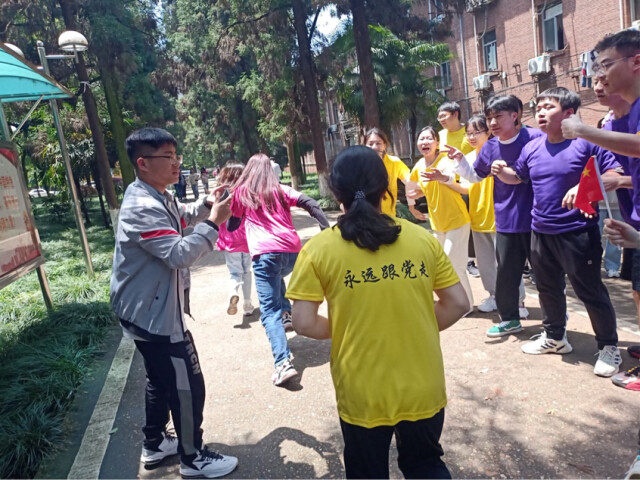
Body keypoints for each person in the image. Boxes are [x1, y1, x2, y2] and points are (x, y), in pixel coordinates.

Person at [287, 145, 469, 479]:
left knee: (366, 472)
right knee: (425, 465)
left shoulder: (318, 250)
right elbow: (458, 303)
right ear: (386, 188)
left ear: (335, 192)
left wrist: (347, 326)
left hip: (362, 389)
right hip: (422, 383)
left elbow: (302, 322)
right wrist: (415, 323)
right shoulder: (422, 240)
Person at [110, 127, 238, 478]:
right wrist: (214, 223)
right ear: (143, 163)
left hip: (142, 309)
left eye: (175, 155)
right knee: (187, 384)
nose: (176, 163)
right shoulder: (141, 207)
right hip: (153, 315)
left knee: (160, 378)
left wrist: (206, 205)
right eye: (167, 157)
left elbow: (182, 216)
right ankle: (193, 457)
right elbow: (179, 254)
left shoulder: (155, 194)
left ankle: (154, 443)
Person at [492, 87, 622, 377]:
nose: (539, 112)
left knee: (590, 291)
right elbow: (518, 177)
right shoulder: (532, 147)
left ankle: (608, 346)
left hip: (577, 232)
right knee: (548, 287)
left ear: (568, 113)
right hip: (540, 231)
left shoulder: (587, 143)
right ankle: (555, 337)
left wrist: (584, 186)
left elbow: (614, 174)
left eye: (548, 107)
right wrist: (501, 171)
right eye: (538, 107)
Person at [227, 153, 329, 386]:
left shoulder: (242, 193)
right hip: (292, 253)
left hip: (265, 255)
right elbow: (311, 203)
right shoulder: (281, 190)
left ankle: (283, 363)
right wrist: (326, 228)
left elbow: (232, 225)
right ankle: (286, 314)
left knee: (269, 310)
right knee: (276, 279)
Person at [455, 95, 544, 336]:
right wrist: (460, 160)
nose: (492, 123)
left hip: (538, 219)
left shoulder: (535, 138)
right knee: (506, 274)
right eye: (489, 118)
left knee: (545, 274)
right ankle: (510, 319)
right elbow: (477, 175)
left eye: (498, 116)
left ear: (515, 115)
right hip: (506, 219)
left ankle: (555, 325)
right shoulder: (491, 147)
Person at [409, 126, 473, 314]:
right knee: (440, 265)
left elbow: (461, 185)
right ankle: (457, 302)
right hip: (438, 224)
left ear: (437, 143)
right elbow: (412, 184)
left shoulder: (445, 161)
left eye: (429, 138)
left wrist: (443, 178)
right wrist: (413, 203)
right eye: (421, 139)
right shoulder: (420, 165)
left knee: (454, 265)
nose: (425, 142)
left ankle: (467, 305)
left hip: (457, 220)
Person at [444, 115, 498, 314]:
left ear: (488, 132)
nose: (472, 137)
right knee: (485, 263)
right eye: (468, 133)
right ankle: (493, 296)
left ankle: (519, 302)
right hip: (477, 216)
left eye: (477, 132)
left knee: (506, 263)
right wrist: (446, 181)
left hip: (500, 217)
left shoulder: (498, 152)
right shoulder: (467, 159)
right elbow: (467, 188)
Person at [215, 163, 254, 316]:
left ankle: (233, 292)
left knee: (234, 272)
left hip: (230, 241)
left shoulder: (222, 195)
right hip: (247, 240)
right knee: (247, 271)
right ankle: (247, 304)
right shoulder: (248, 193)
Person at [363, 127, 421, 219]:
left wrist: (412, 205)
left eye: (378, 143)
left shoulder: (394, 162)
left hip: (389, 215)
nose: (374, 147)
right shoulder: (359, 163)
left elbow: (410, 182)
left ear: (384, 145)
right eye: (370, 144)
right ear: (365, 146)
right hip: (366, 216)